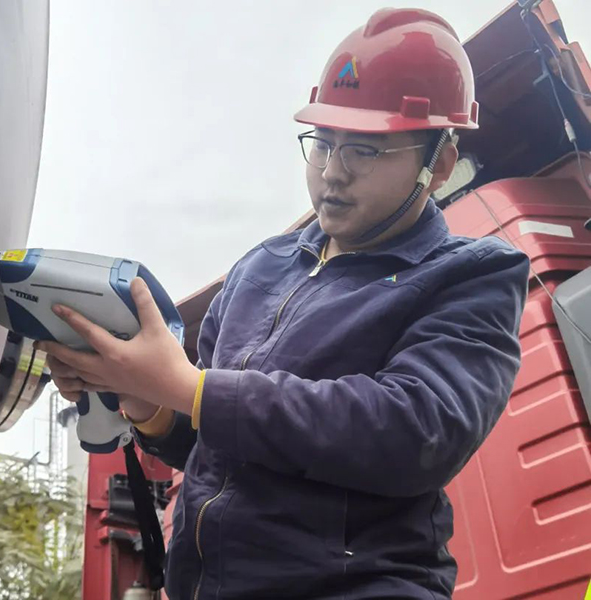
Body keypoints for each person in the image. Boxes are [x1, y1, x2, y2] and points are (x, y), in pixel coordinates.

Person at [36, 8, 530, 599]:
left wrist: (189, 388)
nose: (332, 174)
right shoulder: (260, 268)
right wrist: (148, 402)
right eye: (323, 144)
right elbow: (212, 443)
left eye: (365, 150)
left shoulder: (472, 276)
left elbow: (414, 433)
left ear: (439, 163)